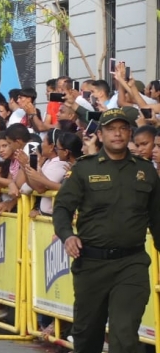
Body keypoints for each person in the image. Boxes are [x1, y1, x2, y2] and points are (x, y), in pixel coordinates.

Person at [53, 108, 160, 353]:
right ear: (100, 135)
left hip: (131, 264)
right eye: (111, 129)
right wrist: (67, 235)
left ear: (130, 133)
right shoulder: (84, 169)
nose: (118, 134)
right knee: (87, 335)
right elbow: (61, 208)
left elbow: (157, 219)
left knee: (124, 333)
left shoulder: (146, 171)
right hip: (91, 264)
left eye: (123, 128)